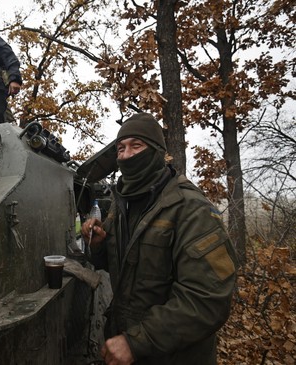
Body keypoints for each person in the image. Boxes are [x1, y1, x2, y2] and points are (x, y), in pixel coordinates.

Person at [81, 113, 238, 365]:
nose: (126, 155)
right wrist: (98, 245)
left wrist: (137, 341)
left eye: (136, 145)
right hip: (126, 348)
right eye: (121, 148)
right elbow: (121, 267)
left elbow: (208, 299)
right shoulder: (122, 205)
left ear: (156, 151)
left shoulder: (191, 209)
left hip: (175, 356)